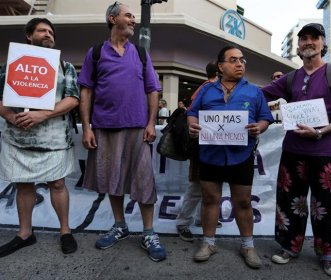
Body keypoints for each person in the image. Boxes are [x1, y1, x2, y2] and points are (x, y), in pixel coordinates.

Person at [262, 23, 331, 278]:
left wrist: (321, 131)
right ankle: (289, 247)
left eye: (314, 38)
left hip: (326, 153)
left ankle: (329, 256)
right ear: (298, 45)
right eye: (303, 38)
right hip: (293, 150)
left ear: (322, 44)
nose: (308, 42)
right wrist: (233, 89)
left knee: (326, 205)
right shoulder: (290, 78)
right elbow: (261, 94)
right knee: (290, 202)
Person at [77, 2, 166, 262]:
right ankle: (120, 226)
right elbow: (86, 91)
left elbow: (153, 90)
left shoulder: (140, 53)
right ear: (113, 18)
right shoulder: (95, 53)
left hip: (138, 128)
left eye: (134, 16)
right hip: (104, 128)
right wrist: (86, 128)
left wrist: (151, 123)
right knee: (111, 180)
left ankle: (149, 232)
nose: (133, 20)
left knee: (144, 182)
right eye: (129, 15)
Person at [187, 46, 273, 268]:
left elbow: (265, 118)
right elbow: (192, 113)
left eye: (242, 60)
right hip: (210, 154)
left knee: (243, 201)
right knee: (209, 199)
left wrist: (259, 128)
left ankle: (248, 245)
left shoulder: (254, 91)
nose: (239, 64)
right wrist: (193, 126)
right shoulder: (206, 90)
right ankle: (208, 242)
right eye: (233, 60)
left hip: (241, 155)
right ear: (220, 66)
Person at [0, 18, 79, 257]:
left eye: (51, 32)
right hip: (18, 138)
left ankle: (65, 231)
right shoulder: (9, 65)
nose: (48, 34)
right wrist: (12, 118)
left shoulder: (65, 66)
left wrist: (42, 115)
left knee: (57, 184)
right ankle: (25, 233)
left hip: (54, 139)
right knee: (23, 185)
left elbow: (72, 99)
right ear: (28, 35)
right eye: (42, 30)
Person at [176, 62, 222, 242]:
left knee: (208, 187)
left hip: (212, 145)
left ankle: (202, 219)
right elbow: (193, 114)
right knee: (197, 186)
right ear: (219, 72)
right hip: (202, 146)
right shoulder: (208, 89)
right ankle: (183, 223)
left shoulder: (203, 88)